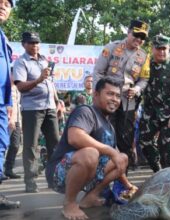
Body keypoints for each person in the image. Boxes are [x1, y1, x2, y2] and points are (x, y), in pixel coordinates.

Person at [46, 77, 137, 220]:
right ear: (95, 95)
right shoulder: (85, 111)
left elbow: (117, 159)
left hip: (88, 172)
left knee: (123, 158)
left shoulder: (109, 126)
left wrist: (128, 185)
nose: (114, 99)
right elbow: (74, 137)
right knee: (90, 153)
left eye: (118, 96)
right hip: (59, 173)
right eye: (110, 94)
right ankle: (69, 204)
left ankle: (91, 196)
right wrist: (110, 151)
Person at [93, 20, 150, 168]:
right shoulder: (111, 48)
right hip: (107, 100)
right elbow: (98, 72)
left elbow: (144, 79)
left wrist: (136, 89)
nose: (139, 39)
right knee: (104, 138)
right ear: (128, 32)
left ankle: (121, 182)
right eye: (136, 34)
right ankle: (102, 182)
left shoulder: (143, 56)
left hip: (127, 102)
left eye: (142, 37)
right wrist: (98, 94)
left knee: (125, 141)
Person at [13, 32, 60, 193]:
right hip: (32, 109)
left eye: (37, 42)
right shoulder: (21, 63)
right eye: (31, 43)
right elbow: (20, 87)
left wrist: (58, 100)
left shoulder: (44, 60)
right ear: (24, 44)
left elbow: (50, 83)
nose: (35, 46)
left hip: (50, 107)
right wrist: (38, 79)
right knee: (31, 146)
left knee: (55, 144)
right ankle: (31, 181)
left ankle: (54, 179)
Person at [139, 34, 170, 172]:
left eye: (164, 48)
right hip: (150, 112)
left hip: (169, 113)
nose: (161, 52)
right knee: (144, 141)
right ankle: (157, 170)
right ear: (152, 49)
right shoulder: (145, 66)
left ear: (169, 49)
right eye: (158, 48)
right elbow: (139, 87)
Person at [0, 0, 20, 209]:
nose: (3, 5)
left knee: (1, 145)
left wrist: (9, 104)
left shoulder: (2, 38)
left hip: (2, 104)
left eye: (8, 3)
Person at [4, 77, 21, 179]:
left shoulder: (18, 88)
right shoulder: (5, 87)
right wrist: (9, 118)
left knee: (15, 145)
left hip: (17, 120)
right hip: (7, 119)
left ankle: (8, 169)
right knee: (3, 145)